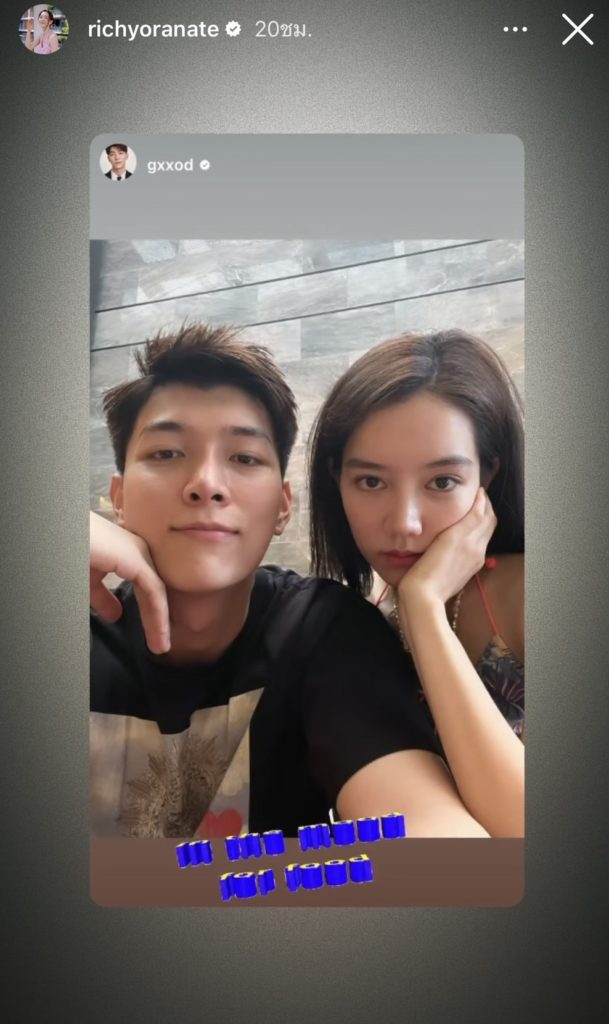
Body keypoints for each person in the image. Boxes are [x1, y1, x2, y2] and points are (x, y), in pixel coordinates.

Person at [90, 323, 489, 839]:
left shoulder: (323, 631)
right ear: (118, 498)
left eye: (244, 458)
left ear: (283, 507)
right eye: (166, 453)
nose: (206, 484)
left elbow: (440, 851)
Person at [309, 329, 524, 837]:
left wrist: (423, 606)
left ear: (487, 475)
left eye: (442, 482)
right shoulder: (355, 624)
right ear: (337, 480)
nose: (404, 523)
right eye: (371, 481)